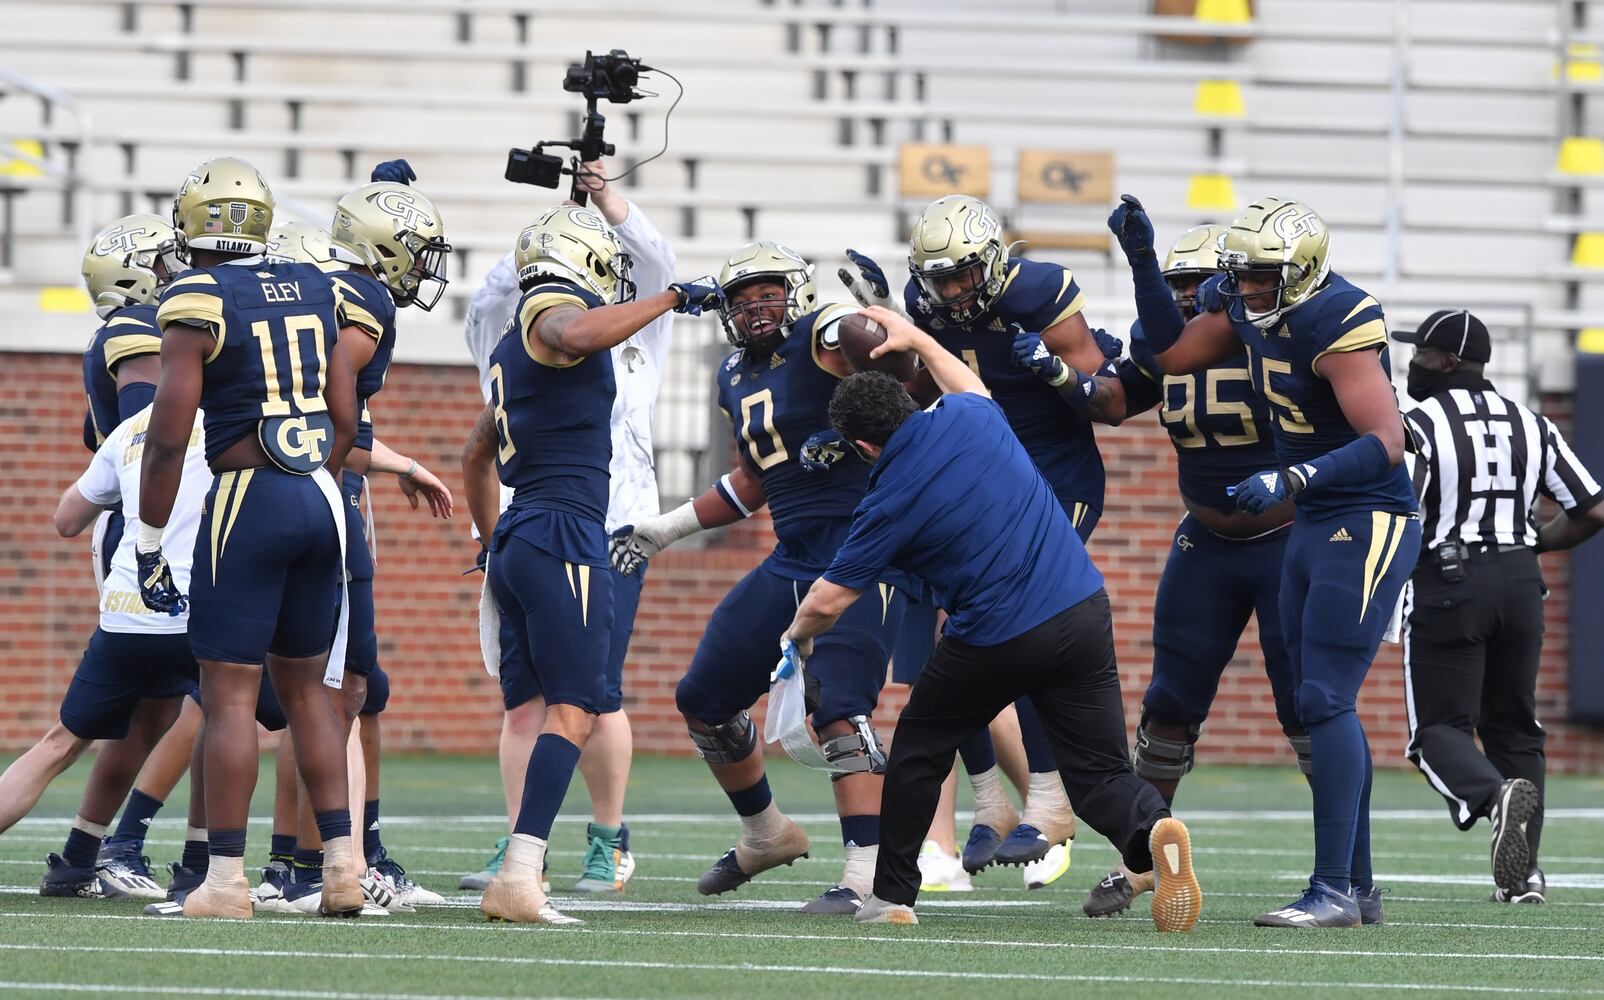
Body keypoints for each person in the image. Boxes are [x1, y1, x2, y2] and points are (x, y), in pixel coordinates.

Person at [781, 307, 1200, 932]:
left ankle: (891, 896)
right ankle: (1152, 829)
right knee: (1098, 774)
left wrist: (795, 640)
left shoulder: (886, 493)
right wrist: (917, 335)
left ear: (864, 445)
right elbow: (966, 383)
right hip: (1083, 609)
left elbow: (829, 599)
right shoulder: (968, 415)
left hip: (1000, 632)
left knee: (919, 750)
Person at [609, 241, 910, 914]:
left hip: (864, 552)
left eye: (768, 293)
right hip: (794, 555)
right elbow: (755, 478)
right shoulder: (733, 377)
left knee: (839, 710)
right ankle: (765, 833)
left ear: (794, 292)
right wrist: (671, 527)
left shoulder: (824, 337)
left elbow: (903, 375)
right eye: (742, 300)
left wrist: (882, 318)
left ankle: (868, 880)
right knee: (705, 698)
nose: (756, 308)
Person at [1145, 195, 1420, 928]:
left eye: (1258, 276)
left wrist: (1293, 478)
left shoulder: (1339, 320)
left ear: (1299, 271)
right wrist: (1144, 264)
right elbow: (1166, 354)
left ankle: (1334, 888)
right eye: (1239, 275)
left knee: (1324, 697)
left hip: (1367, 515)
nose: (1245, 288)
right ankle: (1355, 890)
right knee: (1316, 699)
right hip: (1315, 519)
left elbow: (1387, 439)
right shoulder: (1247, 308)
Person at [840, 195, 1119, 886]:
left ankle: (1050, 799)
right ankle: (993, 800)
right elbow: (913, 384)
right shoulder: (923, 299)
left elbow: (1109, 398)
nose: (955, 291)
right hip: (979, 483)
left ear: (993, 261)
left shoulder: (1040, 291)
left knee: (1018, 617)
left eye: (966, 275)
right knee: (955, 640)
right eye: (942, 279)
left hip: (1053, 477)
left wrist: (1054, 372)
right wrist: (890, 328)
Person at [462, 204, 720, 924]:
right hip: (567, 534)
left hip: (521, 535)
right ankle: (520, 873)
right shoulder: (552, 321)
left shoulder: (512, 347)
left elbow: (474, 454)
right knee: (577, 709)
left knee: (558, 705)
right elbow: (574, 329)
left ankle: (525, 864)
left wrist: (491, 540)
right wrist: (670, 297)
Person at [1066, 205, 1307, 918]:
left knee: (1306, 706)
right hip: (1205, 541)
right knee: (1169, 703)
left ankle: (1342, 870)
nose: (1181, 295)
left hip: (1286, 538)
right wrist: (1054, 375)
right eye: (1174, 282)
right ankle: (1139, 858)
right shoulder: (1168, 350)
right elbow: (1110, 402)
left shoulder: (1275, 342)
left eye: (1197, 281)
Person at [139, 156, 362, 919]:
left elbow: (169, 438)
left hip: (248, 493)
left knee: (229, 693)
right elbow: (344, 413)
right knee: (310, 693)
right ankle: (341, 868)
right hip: (319, 495)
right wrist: (317, 476)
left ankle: (226, 881)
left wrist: (146, 534)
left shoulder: (196, 294)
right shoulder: (312, 281)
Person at [1396, 309, 1604, 904]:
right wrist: (1532, 541)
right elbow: (1591, 508)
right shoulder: (1531, 422)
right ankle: (1525, 875)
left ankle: (1491, 800)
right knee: (1516, 728)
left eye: (1421, 354)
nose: (1413, 363)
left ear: (1447, 361)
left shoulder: (1419, 421)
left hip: (1448, 578)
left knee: (1437, 729)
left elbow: (1401, 511)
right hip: (1520, 581)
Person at [0, 404, 207, 900]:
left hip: (125, 613)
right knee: (228, 723)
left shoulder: (129, 429)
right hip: (196, 612)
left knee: (59, 744)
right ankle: (207, 871)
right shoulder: (231, 415)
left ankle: (79, 859)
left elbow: (67, 518)